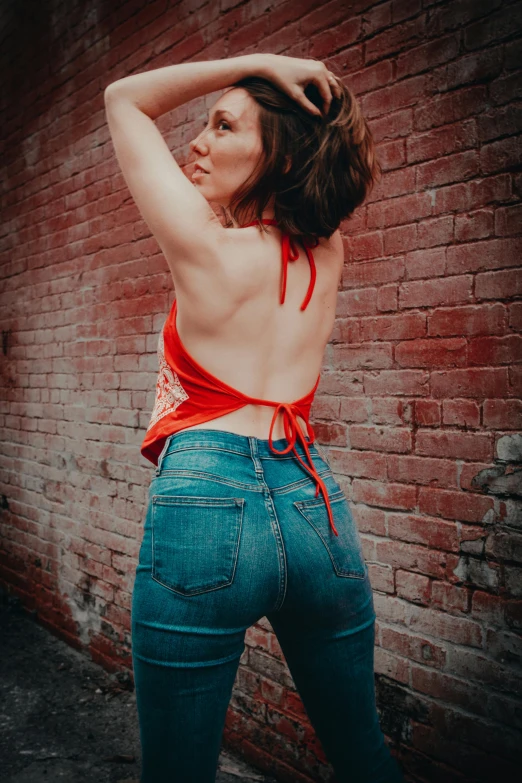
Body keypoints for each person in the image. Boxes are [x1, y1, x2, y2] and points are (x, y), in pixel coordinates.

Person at [104, 53, 404, 783]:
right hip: (314, 502)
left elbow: (123, 97)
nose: (196, 144)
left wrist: (259, 62)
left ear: (281, 153)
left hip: (204, 498)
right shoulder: (329, 252)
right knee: (364, 756)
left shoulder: (206, 250)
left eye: (223, 125)